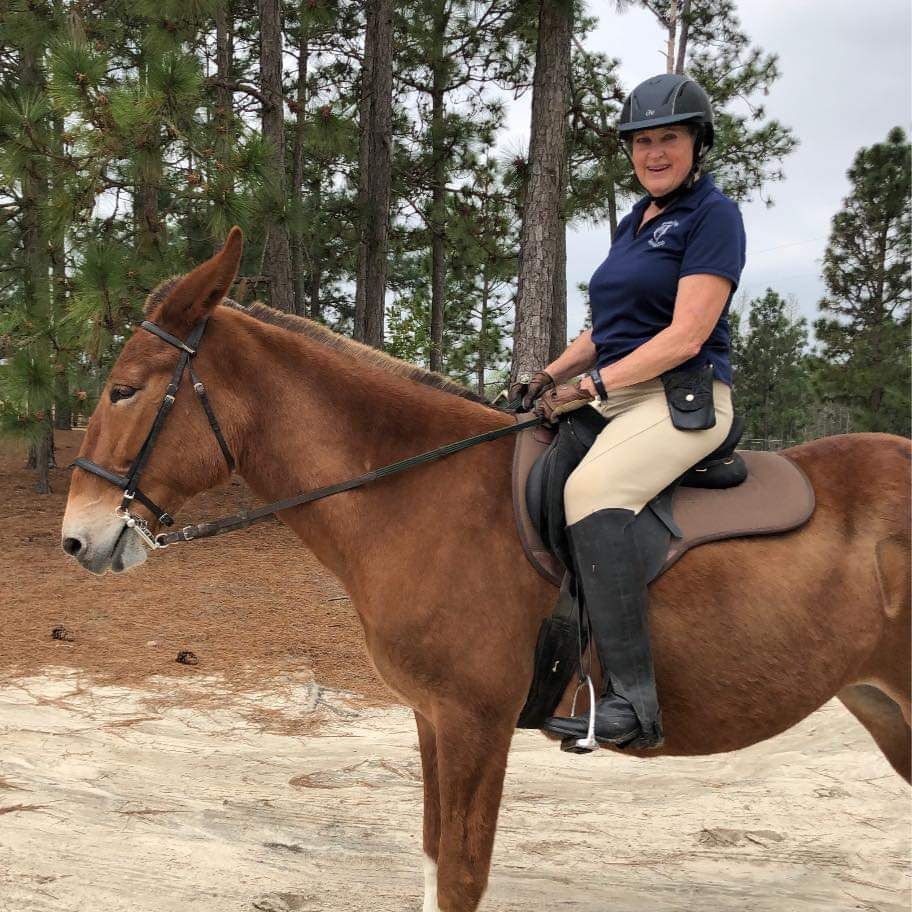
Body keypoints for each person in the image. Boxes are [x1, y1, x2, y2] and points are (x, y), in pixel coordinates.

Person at [511, 73, 746, 750]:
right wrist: (548, 374)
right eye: (643, 143)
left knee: (592, 492)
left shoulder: (712, 216)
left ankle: (632, 703)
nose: (654, 154)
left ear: (697, 144)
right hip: (623, 387)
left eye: (669, 138)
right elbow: (605, 331)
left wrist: (589, 389)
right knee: (541, 464)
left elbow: (685, 335)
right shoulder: (634, 221)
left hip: (684, 396)